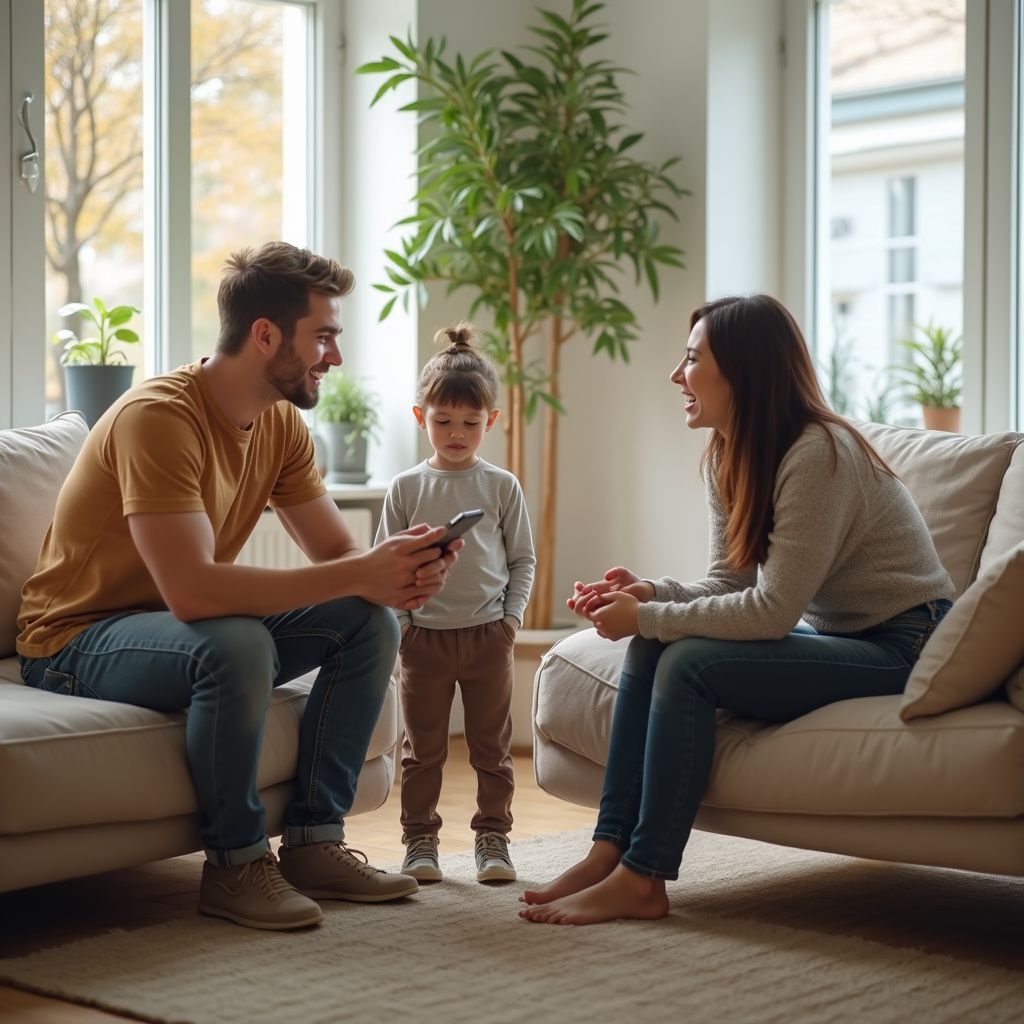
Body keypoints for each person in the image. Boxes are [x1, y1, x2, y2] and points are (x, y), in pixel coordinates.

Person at [17, 241, 463, 932]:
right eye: (323, 338)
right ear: (265, 336)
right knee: (236, 644)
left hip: (174, 629)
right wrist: (360, 571)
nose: (333, 358)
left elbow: (339, 554)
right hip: (76, 638)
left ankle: (316, 843)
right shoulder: (160, 418)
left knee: (368, 621)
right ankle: (234, 864)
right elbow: (195, 592)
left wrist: (397, 571)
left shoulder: (279, 422)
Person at [519, 293, 954, 926]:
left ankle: (645, 878)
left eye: (692, 359)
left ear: (743, 372)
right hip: (842, 636)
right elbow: (729, 582)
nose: (677, 376)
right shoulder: (729, 452)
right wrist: (652, 595)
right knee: (655, 644)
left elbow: (771, 612)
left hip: (908, 643)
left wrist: (648, 616)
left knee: (687, 660)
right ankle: (610, 850)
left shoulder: (818, 454)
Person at [375, 322, 536, 885]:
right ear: (420, 417)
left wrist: (511, 619)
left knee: (491, 750)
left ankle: (494, 840)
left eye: (470, 422)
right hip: (423, 642)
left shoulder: (501, 486)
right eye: (443, 421)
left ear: (491, 421)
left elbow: (523, 561)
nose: (457, 432)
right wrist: (403, 627)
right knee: (423, 753)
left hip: (489, 636)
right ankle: (420, 844)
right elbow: (383, 566)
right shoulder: (405, 488)